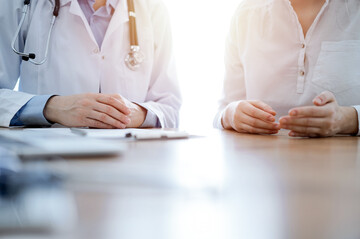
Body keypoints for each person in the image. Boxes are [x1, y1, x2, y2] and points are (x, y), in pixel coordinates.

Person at [0, 0, 181, 129]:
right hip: (45, 165)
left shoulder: (153, 9)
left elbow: (169, 107)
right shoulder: (21, 4)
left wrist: (137, 113)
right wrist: (51, 108)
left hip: (130, 164)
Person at [215, 0, 360, 137]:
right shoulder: (246, 13)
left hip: (344, 160)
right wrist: (231, 115)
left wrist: (348, 119)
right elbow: (222, 111)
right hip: (261, 159)